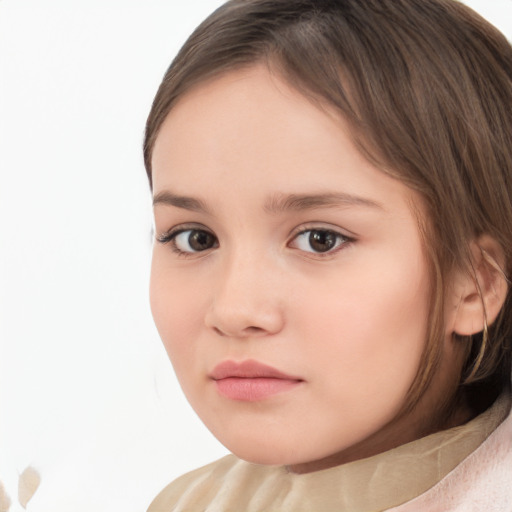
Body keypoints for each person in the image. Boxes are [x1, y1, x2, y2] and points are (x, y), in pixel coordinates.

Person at [143, 0, 512, 510]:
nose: (233, 310)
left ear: (475, 281)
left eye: (320, 238)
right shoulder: (192, 502)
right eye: (194, 238)